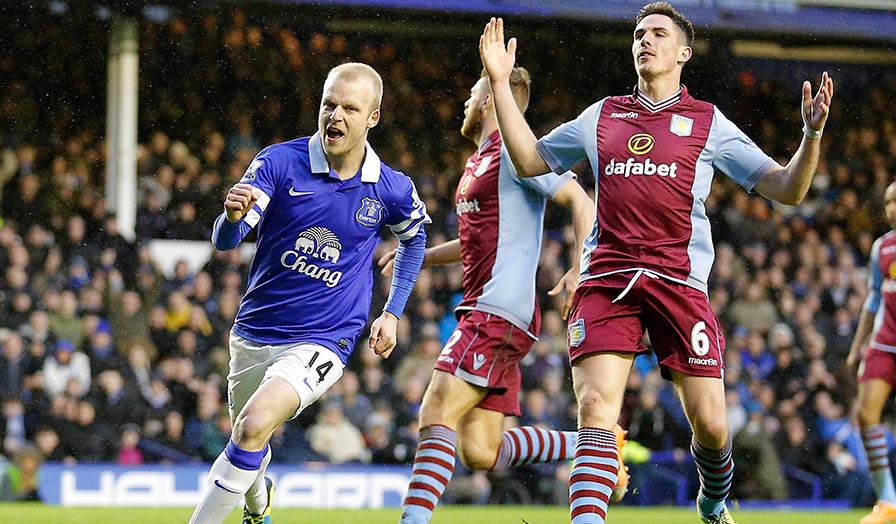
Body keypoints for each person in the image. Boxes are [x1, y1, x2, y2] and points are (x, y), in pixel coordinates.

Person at [478, 2, 834, 523]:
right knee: (595, 409)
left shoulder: (708, 122)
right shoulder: (601, 116)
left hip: (679, 285)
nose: (644, 40)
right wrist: (500, 82)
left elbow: (787, 189)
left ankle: (712, 502)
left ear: (684, 53)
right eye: (639, 33)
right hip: (607, 281)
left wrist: (811, 136)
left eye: (658, 34)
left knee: (712, 427)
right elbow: (530, 160)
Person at [189, 62, 430, 524]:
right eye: (329, 104)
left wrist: (392, 311)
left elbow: (414, 239)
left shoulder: (391, 188)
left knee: (254, 423)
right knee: (247, 434)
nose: (335, 116)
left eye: (349, 109)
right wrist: (230, 219)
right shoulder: (279, 162)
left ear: (373, 118)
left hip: (325, 337)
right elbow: (227, 239)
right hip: (255, 330)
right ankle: (257, 507)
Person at [380, 67, 621, 524]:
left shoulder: (516, 150)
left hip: (496, 311)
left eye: (473, 94)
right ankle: (595, 444)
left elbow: (582, 201)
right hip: (494, 313)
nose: (465, 103)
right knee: (480, 449)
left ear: (489, 99)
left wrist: (578, 268)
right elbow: (477, 238)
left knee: (435, 408)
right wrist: (422, 258)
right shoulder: (479, 161)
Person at [847, 182, 896, 524]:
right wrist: (857, 347)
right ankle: (888, 500)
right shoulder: (882, 247)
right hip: (884, 343)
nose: (892, 207)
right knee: (866, 416)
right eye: (889, 201)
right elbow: (874, 299)